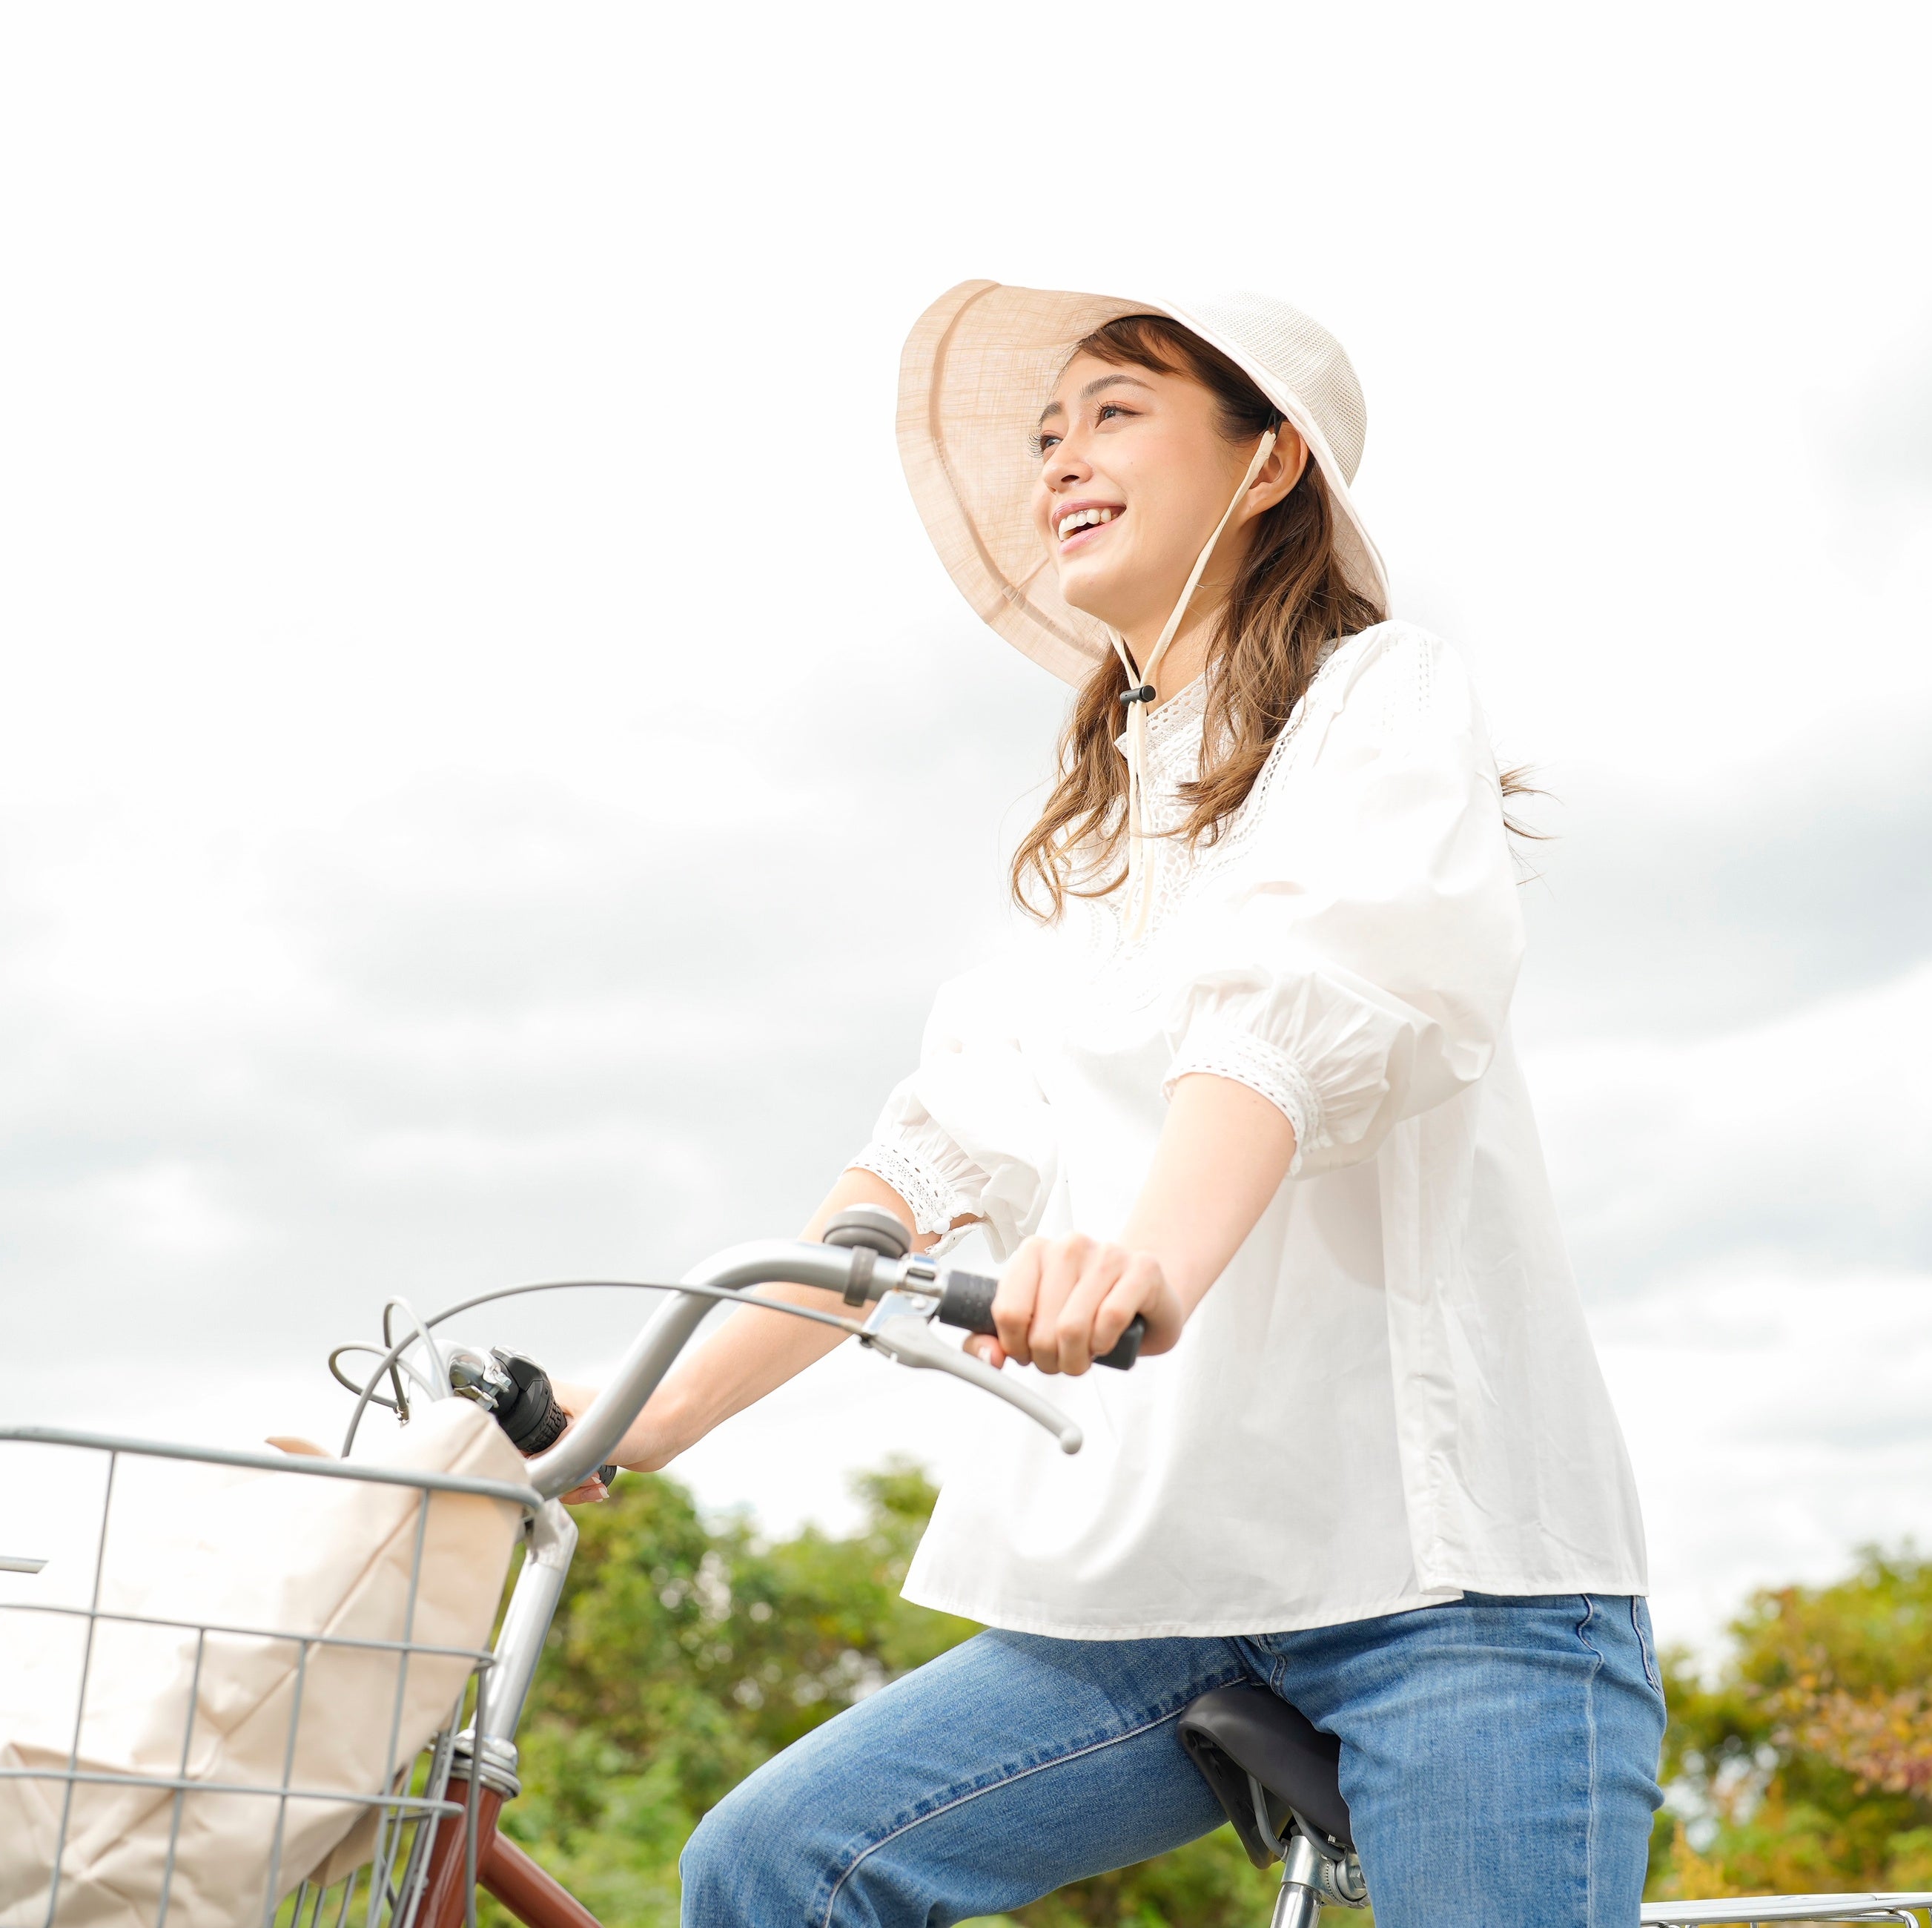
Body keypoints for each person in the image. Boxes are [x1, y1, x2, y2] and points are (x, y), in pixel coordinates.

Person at [583, 281, 1659, 1927]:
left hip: (1457, 1592)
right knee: (778, 1863)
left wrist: (1147, 1259)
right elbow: (914, 1174)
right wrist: (634, 1419)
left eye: (1114, 413)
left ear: (1268, 460)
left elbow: (1299, 997)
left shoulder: (1382, 702)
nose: (1061, 461)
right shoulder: (1089, 839)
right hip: (1180, 1599)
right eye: (1046, 434)